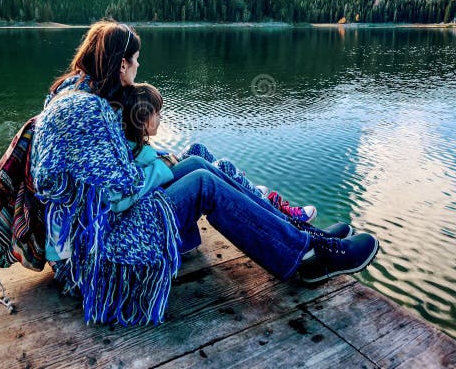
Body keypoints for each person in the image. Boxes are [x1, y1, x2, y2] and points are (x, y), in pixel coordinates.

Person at [30, 19, 379, 326]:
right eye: (136, 61)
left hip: (96, 229)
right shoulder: (86, 112)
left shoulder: (76, 94)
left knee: (196, 162)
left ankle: (298, 233)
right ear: (121, 64)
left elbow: (112, 176)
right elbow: (118, 197)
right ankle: (303, 257)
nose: (139, 67)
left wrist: (159, 164)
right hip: (96, 250)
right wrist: (162, 171)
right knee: (202, 183)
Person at [119, 81, 317, 222]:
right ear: (142, 120)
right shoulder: (135, 152)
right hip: (158, 194)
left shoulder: (135, 144)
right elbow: (145, 177)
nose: (161, 118)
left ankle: (252, 191)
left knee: (197, 149)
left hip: (161, 181)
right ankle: (279, 215)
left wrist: (166, 160)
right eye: (157, 114)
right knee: (223, 167)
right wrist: (165, 163)